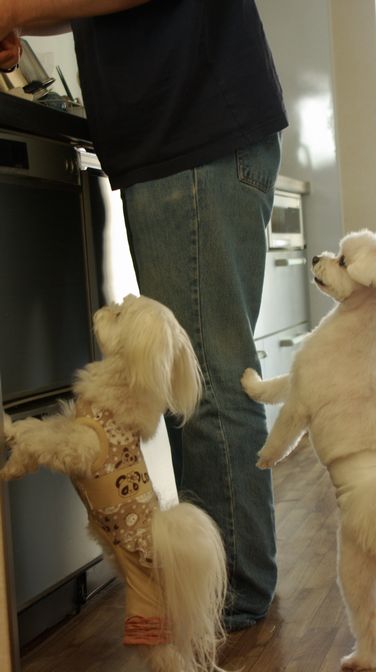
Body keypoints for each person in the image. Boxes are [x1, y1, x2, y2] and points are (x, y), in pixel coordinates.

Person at [0, 0, 288, 632]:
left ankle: (226, 600)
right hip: (186, 134)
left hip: (190, 131)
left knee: (206, 385)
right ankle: (221, 591)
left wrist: (12, 10)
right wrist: (20, 19)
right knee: (197, 385)